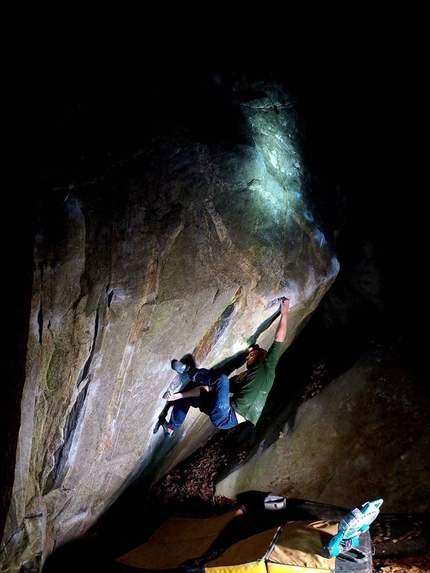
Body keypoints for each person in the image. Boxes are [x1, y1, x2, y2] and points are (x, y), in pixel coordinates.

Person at [162, 298, 290, 438]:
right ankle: (170, 428)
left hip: (227, 416)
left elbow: (279, 338)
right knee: (191, 396)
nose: (248, 355)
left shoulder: (267, 368)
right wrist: (179, 395)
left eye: (252, 352)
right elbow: (208, 388)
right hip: (223, 411)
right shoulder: (241, 380)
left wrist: (284, 313)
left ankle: (188, 371)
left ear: (262, 356)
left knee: (221, 379)